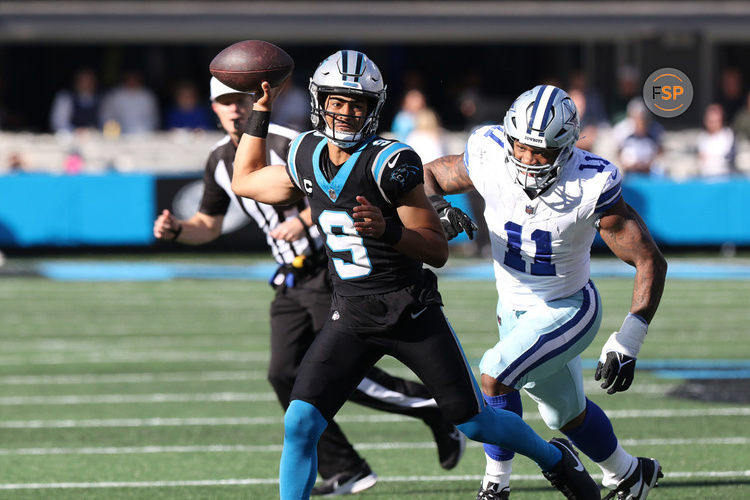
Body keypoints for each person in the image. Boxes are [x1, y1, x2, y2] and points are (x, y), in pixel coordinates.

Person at [231, 50, 600, 500]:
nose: (346, 112)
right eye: (338, 101)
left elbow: (437, 250)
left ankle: (555, 459)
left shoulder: (391, 160)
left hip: (410, 313)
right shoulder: (305, 152)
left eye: (358, 104)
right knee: (300, 421)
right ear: (319, 100)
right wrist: (261, 110)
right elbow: (246, 180)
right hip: (349, 315)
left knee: (475, 421)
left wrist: (387, 229)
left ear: (374, 108)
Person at [154, 76, 465, 496]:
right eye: (224, 102)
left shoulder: (291, 141)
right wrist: (177, 231)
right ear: (213, 108)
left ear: (256, 98)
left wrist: (301, 221)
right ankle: (348, 467)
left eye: (240, 98)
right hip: (287, 277)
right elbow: (208, 226)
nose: (234, 108)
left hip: (330, 266)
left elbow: (331, 188)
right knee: (284, 374)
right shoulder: (218, 160)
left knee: (341, 372)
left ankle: (436, 406)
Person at [423, 85, 668, 500]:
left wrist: (630, 338)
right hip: (513, 305)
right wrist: (438, 206)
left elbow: (649, 260)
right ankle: (629, 473)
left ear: (568, 147)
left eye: (541, 152)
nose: (526, 159)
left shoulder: (591, 183)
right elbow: (426, 174)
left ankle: (495, 484)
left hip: (568, 307)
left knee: (495, 373)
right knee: (566, 416)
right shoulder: (488, 153)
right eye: (520, 146)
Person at [49, 67, 102, 133]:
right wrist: (75, 131)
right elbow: (58, 123)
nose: (86, 85)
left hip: (95, 140)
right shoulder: (66, 98)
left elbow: (104, 123)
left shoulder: (101, 100)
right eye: (83, 81)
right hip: (69, 139)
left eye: (89, 81)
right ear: (76, 82)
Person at [697, 103, 736, 177]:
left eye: (715, 121)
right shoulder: (702, 137)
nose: (712, 123)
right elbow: (700, 158)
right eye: (710, 120)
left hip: (724, 176)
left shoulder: (728, 135)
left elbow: (728, 158)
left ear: (721, 119)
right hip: (704, 176)